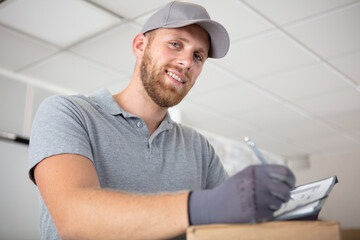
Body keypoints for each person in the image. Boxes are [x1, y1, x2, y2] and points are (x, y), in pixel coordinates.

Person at [29, 1, 295, 240]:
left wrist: (283, 219)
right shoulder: (69, 113)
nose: (187, 62)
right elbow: (75, 219)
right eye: (176, 44)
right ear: (140, 46)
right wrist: (202, 206)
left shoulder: (198, 148)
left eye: (198, 56)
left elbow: (232, 228)